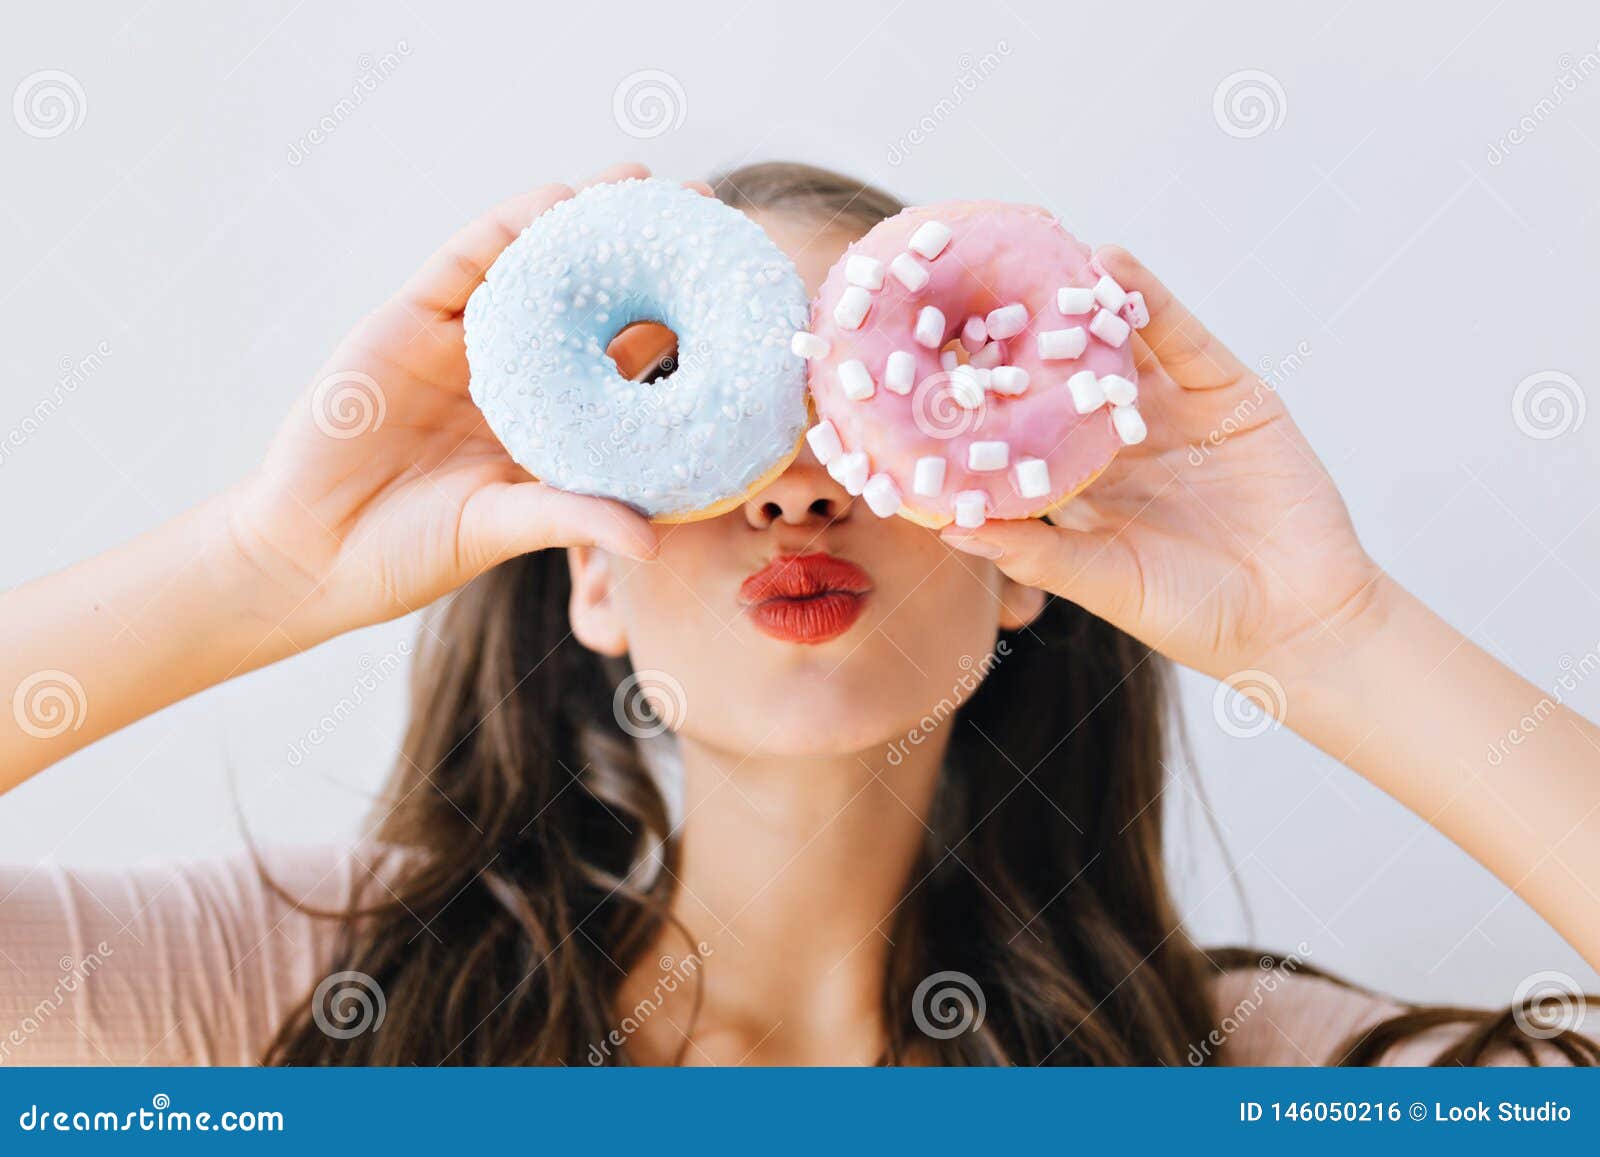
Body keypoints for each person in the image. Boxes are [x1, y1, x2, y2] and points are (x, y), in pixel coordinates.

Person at [2, 161, 1595, 1067]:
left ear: (1015, 551)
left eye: (860, 422)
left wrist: (1324, 633)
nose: (796, 494)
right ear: (590, 573)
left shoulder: (1221, 1061)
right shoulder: (324, 981)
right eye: (711, 426)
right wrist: (259, 565)